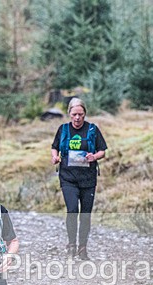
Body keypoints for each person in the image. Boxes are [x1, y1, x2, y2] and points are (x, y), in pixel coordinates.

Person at [50, 97, 108, 260]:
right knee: (72, 209)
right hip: (68, 177)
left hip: (88, 179)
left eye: (80, 115)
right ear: (69, 113)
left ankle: (83, 247)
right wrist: (55, 157)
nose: (77, 118)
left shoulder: (92, 129)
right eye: (74, 114)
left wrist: (94, 156)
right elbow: (54, 147)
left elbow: (102, 150)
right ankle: (71, 245)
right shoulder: (63, 129)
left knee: (85, 214)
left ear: (85, 114)